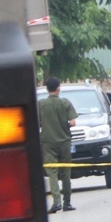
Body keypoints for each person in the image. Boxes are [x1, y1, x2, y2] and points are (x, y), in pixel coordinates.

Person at [38, 77, 78, 213]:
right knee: (65, 172)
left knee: (52, 173)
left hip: (48, 142)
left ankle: (56, 203)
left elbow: (37, 122)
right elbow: (73, 123)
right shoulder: (65, 103)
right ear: (58, 88)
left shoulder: (41, 104)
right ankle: (67, 203)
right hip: (65, 142)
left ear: (47, 89)